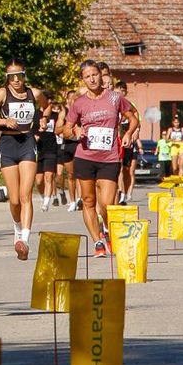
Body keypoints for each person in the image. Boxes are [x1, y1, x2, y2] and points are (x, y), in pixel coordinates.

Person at [64, 60, 137, 258]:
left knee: (106, 204)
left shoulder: (115, 98)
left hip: (109, 157)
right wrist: (74, 131)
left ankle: (107, 229)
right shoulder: (78, 103)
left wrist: (129, 133)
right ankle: (97, 242)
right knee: (88, 201)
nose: (92, 79)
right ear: (83, 80)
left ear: (101, 75)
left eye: (94, 74)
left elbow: (133, 118)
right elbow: (63, 129)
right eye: (87, 76)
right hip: (85, 156)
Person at [0, 59, 48, 260]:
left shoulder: (33, 93)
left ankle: (24, 240)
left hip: (27, 142)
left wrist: (42, 118)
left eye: (20, 76)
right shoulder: (2, 94)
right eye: (12, 77)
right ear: (7, 78)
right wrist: (3, 121)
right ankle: (17, 227)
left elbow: (45, 105)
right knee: (15, 198)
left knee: (26, 195)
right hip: (8, 145)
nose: (16, 80)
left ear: (25, 75)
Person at [35, 91, 63, 212]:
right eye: (48, 100)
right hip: (37, 149)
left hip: (51, 149)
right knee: (38, 180)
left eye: (51, 100)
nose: (50, 103)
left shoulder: (55, 116)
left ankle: (46, 202)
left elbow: (61, 127)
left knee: (49, 176)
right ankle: (43, 197)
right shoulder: (35, 114)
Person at [113, 81, 140, 204]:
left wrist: (135, 130)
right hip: (117, 140)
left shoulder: (129, 104)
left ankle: (127, 192)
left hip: (128, 140)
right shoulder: (112, 102)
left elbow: (136, 114)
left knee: (128, 170)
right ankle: (122, 193)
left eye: (123, 91)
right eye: (118, 91)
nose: (121, 93)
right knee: (118, 168)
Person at [61, 90, 83, 212]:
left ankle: (80, 198)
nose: (73, 101)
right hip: (67, 145)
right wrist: (68, 129)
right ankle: (72, 201)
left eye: (76, 99)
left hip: (79, 144)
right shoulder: (63, 113)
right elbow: (57, 129)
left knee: (79, 173)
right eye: (71, 99)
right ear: (68, 100)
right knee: (70, 175)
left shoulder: (82, 112)